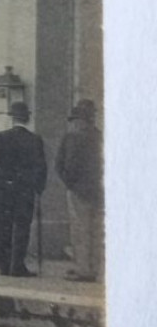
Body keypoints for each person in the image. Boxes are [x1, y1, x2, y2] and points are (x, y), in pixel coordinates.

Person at [0, 100, 49, 277]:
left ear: (11, 118)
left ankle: (4, 265)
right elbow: (41, 168)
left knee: (4, 226)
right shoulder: (35, 140)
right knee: (22, 227)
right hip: (25, 190)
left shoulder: (0, 137)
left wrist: (2, 179)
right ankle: (17, 266)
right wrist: (38, 188)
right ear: (27, 118)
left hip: (5, 188)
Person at [55, 100, 102, 282]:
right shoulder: (98, 136)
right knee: (95, 230)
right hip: (97, 190)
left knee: (80, 230)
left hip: (78, 191)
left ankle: (83, 269)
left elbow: (63, 164)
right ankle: (94, 268)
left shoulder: (73, 137)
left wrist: (69, 183)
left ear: (77, 120)